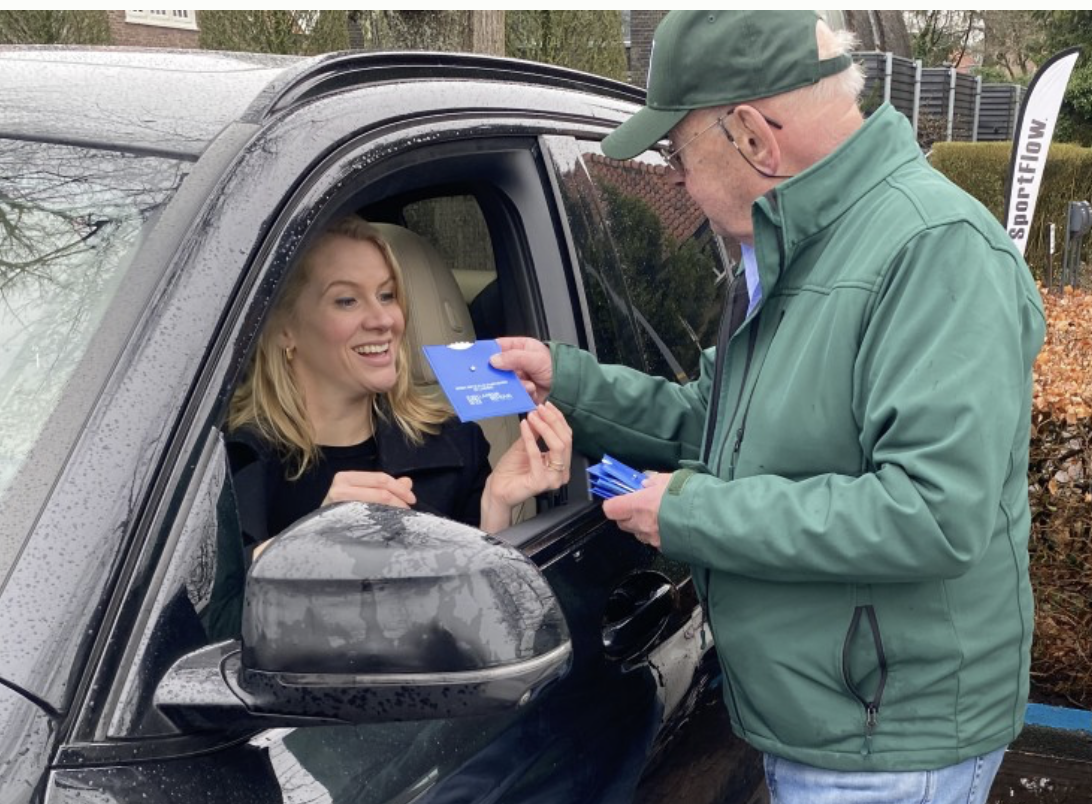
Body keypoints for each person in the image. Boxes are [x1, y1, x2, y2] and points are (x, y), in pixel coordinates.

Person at [490, 10, 1046, 804]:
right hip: (828, 717)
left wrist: (688, 514)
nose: (674, 179)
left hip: (883, 743)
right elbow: (711, 424)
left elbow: (931, 513)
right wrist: (568, 382)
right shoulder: (799, 246)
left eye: (676, 152)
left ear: (752, 134)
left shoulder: (934, 249)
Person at [226, 214, 571, 554]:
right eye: (347, 300)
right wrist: (311, 542)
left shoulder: (455, 442)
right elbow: (214, 604)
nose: (383, 320)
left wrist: (496, 505)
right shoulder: (230, 464)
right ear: (285, 329)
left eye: (387, 295)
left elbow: (478, 600)